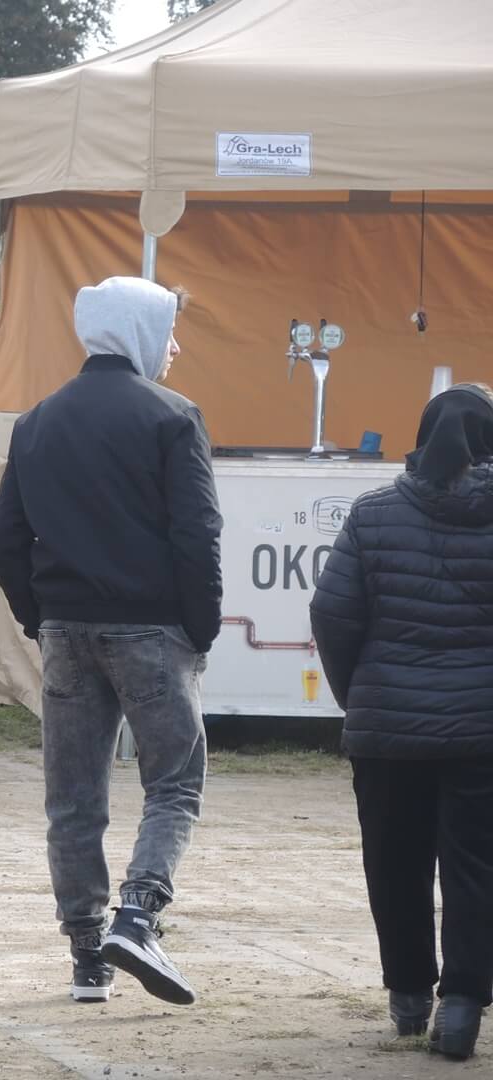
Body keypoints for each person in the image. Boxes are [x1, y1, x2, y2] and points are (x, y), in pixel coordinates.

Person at [0, 276, 220, 1008]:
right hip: (152, 628)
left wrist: (37, 615)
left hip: (65, 628)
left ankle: (88, 956)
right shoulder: (173, 416)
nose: (175, 347)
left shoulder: (37, 421)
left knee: (74, 796)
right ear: (140, 330)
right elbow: (198, 533)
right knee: (174, 781)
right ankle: (139, 916)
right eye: (169, 330)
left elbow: (4, 536)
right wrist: (202, 625)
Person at [311, 384, 493, 1061]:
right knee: (478, 869)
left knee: (394, 863)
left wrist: (359, 696)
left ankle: (410, 995)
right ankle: (463, 1006)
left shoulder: (373, 513)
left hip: (388, 730)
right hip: (483, 731)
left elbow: (332, 615)